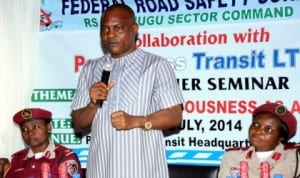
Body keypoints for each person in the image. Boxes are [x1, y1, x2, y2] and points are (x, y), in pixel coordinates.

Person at [70, 4, 184, 178]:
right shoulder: (91, 69)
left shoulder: (156, 65)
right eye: (105, 29)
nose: (111, 35)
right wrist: (92, 105)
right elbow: (78, 123)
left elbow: (175, 116)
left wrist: (136, 121)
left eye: (118, 28)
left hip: (142, 170)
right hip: (100, 169)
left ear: (134, 29)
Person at [218, 103, 300, 178]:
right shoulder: (232, 156)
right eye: (255, 124)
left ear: (281, 136)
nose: (257, 131)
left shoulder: (294, 156)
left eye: (268, 129)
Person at [4, 108, 83, 178]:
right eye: (24, 129)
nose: (30, 132)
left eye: (36, 127)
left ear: (48, 128)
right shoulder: (18, 159)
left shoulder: (65, 157)